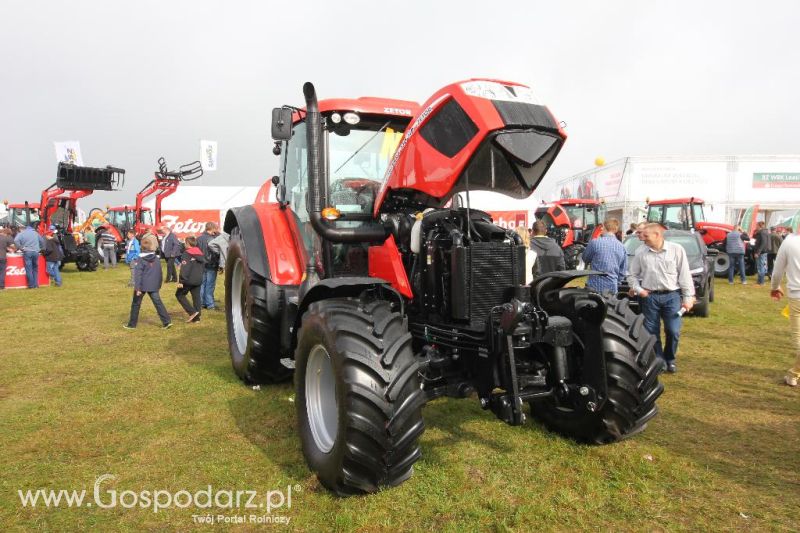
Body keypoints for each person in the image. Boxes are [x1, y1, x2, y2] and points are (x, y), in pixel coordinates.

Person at [627, 223, 695, 373]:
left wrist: (688, 297)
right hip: (649, 297)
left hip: (672, 296)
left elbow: (685, 275)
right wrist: (638, 290)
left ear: (657, 234)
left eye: (646, 236)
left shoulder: (676, 250)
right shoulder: (640, 252)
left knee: (673, 330)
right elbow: (632, 275)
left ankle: (670, 358)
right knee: (651, 331)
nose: (642, 238)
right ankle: (659, 360)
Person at [770, 232, 800, 386]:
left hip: (797, 296)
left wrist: (775, 287)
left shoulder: (789, 242)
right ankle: (793, 374)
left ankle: (793, 374)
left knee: (798, 338)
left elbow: (777, 270)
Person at [124, 234, 172, 329]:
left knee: (136, 304)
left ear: (142, 247)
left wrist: (137, 288)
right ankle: (166, 321)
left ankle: (132, 324)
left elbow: (138, 275)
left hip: (141, 286)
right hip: (153, 285)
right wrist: (159, 284)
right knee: (158, 303)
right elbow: (160, 273)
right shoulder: (157, 259)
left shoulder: (140, 259)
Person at [582, 218, 627, 294]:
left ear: (604, 227)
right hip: (612, 287)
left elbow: (585, 258)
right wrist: (617, 282)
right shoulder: (622, 247)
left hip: (594, 286)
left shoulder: (595, 242)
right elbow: (622, 271)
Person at [175, 235, 205, 323]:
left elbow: (185, 268)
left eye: (185, 242)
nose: (184, 244)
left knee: (179, 295)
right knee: (196, 298)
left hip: (188, 280)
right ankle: (197, 318)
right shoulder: (200, 252)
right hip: (198, 279)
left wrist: (181, 281)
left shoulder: (187, 253)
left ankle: (192, 312)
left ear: (188, 243)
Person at [197, 222, 221, 310]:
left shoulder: (198, 238)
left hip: (200, 264)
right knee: (210, 285)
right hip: (211, 263)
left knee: (202, 284)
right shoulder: (213, 239)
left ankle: (202, 303)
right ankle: (210, 304)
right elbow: (216, 252)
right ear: (213, 229)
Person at [753, 221, 771, 286]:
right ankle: (759, 281)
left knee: (761, 267)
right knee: (760, 266)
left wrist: (758, 252)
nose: (755, 227)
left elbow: (763, 243)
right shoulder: (764, 232)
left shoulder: (762, 233)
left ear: (759, 226)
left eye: (756, 226)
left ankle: (761, 282)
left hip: (761, 252)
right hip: (763, 251)